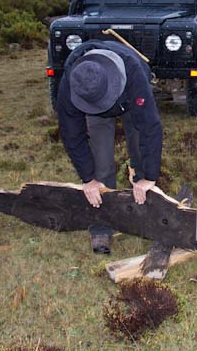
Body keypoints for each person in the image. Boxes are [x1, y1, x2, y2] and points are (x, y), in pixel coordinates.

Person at [56, 40, 163, 254]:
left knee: (140, 152)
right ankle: (102, 226)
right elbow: (72, 135)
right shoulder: (71, 84)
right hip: (95, 114)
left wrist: (149, 177)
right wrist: (88, 178)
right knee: (101, 165)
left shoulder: (134, 74)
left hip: (129, 100)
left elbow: (150, 127)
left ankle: (143, 212)